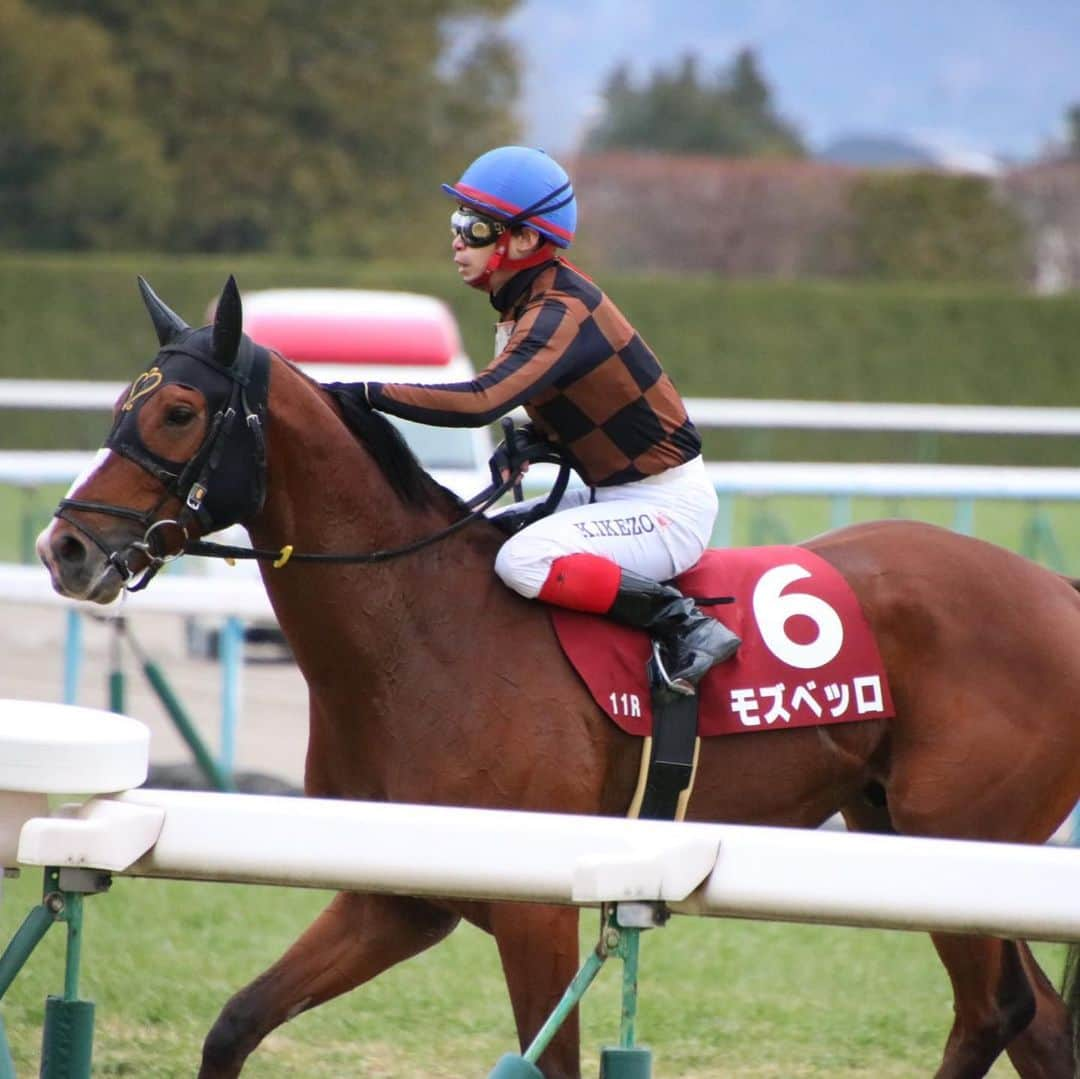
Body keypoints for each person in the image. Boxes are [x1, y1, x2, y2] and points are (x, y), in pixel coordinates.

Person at [343, 145, 738, 692]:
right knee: (474, 540)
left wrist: (364, 392)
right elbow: (582, 408)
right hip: (615, 495)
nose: (458, 240)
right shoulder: (528, 301)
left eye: (477, 227)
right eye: (458, 222)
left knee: (521, 563)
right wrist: (534, 441)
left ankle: (684, 623)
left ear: (525, 239)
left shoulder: (559, 311)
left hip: (664, 509)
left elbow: (481, 400)